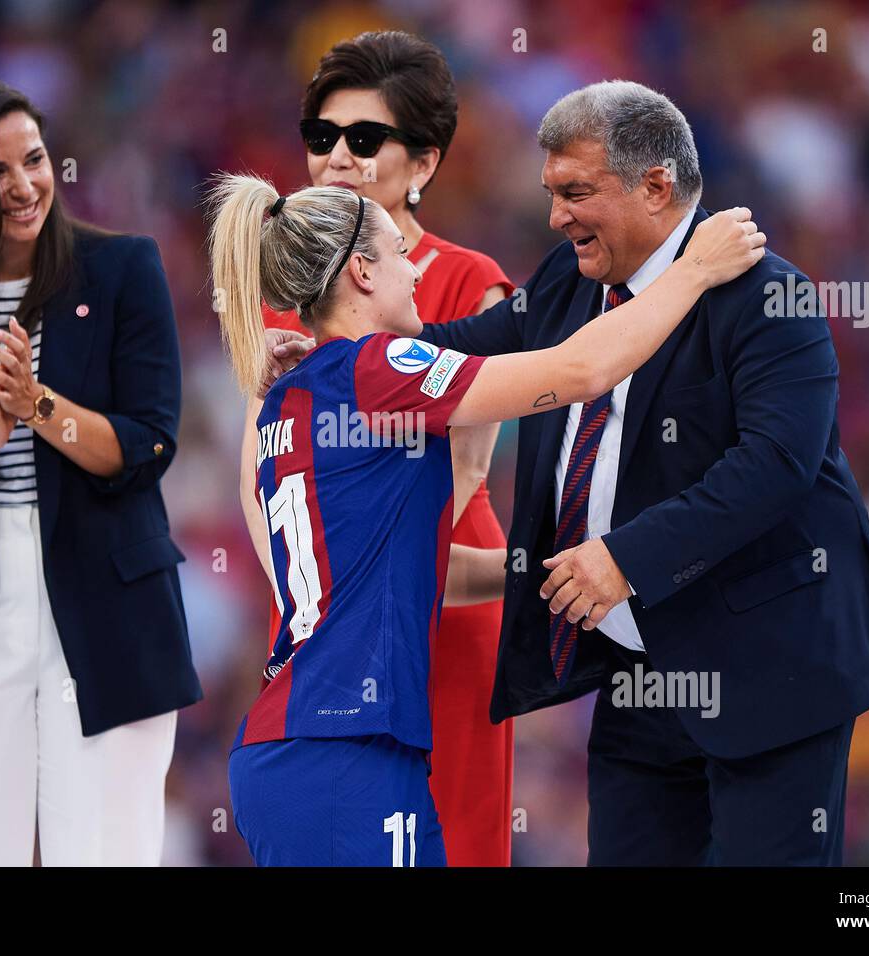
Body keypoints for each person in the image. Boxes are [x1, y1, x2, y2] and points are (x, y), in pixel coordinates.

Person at [271, 79, 869, 866]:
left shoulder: (769, 295)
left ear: (655, 185)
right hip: (638, 671)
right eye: (550, 192)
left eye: (575, 191)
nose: (555, 216)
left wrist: (624, 559)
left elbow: (776, 466)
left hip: (772, 668)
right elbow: (465, 348)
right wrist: (340, 359)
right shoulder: (571, 279)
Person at [208, 170, 764, 866]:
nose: (415, 271)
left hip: (301, 746)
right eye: (399, 255)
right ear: (359, 271)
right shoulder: (376, 368)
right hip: (344, 748)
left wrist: (547, 568)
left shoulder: (291, 399)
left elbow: (412, 573)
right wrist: (693, 270)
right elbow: (582, 371)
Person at [0, 78, 201, 866]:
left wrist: (38, 405)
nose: (25, 186)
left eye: (36, 160)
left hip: (110, 607)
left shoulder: (122, 269)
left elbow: (151, 442)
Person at [238, 30, 516, 865]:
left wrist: (359, 590)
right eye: (322, 138)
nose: (337, 159)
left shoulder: (472, 279)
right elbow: (259, 479)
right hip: (332, 623)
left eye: (366, 140)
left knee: (458, 836)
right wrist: (309, 607)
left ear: (424, 164)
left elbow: (465, 470)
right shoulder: (288, 294)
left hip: (444, 598)